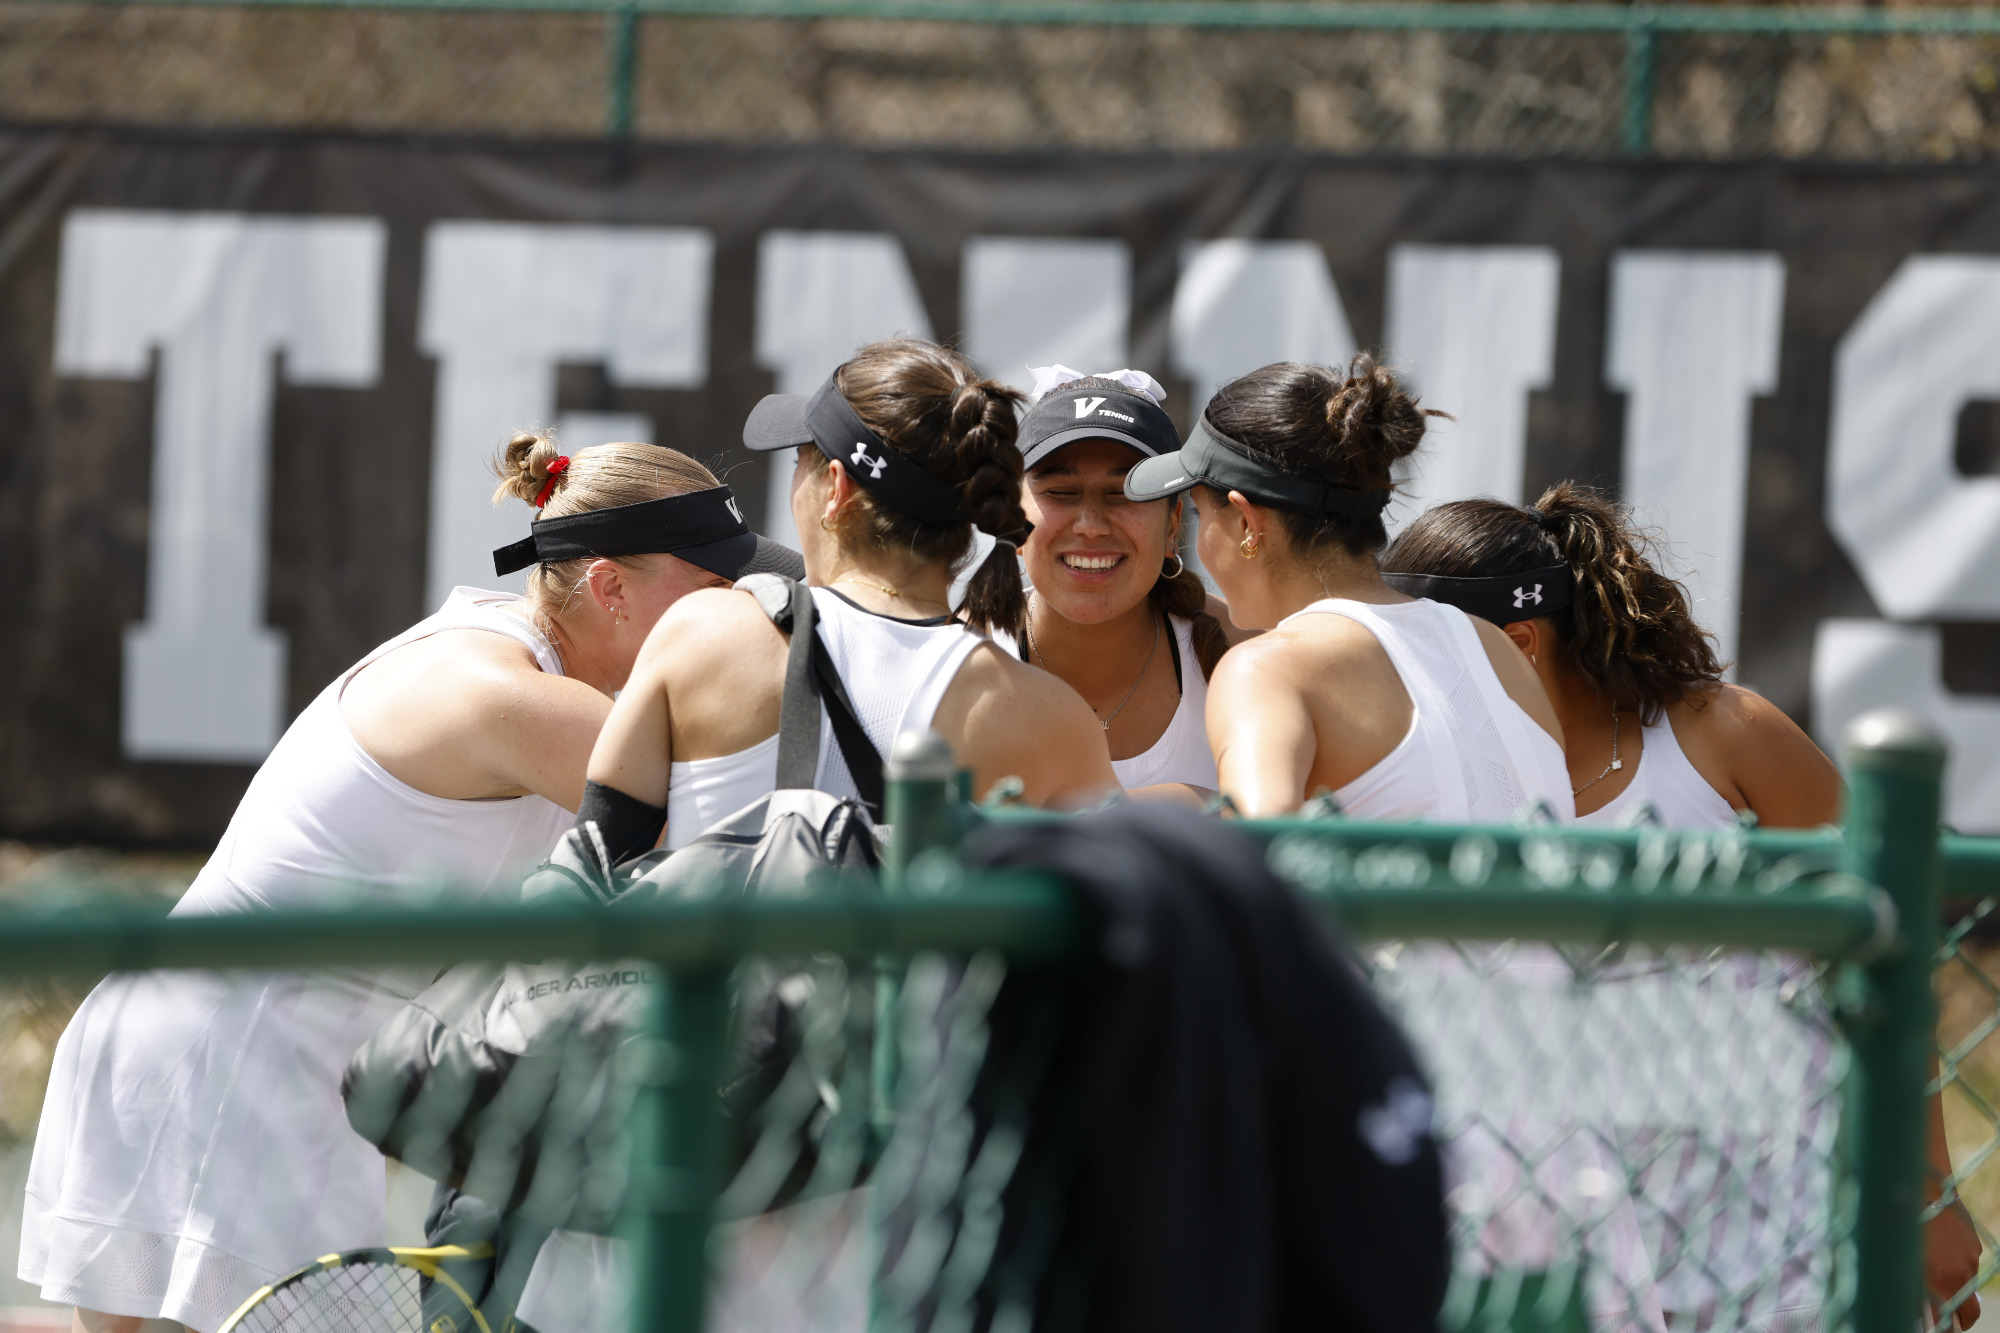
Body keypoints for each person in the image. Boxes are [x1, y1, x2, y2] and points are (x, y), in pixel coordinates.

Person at [18, 435, 802, 1333]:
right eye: (712, 586)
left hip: (209, 1039)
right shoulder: (518, 698)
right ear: (609, 589)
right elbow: (756, 831)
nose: (737, 611)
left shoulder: (504, 647)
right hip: (235, 1062)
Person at [1380, 484, 1984, 1330]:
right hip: (1567, 1246)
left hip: (1781, 1237)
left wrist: (1927, 1190)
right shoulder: (1435, 776)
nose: (1391, 682)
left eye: (1419, 655)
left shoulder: (1721, 735)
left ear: (1516, 643)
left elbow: (1890, 947)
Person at [579, 336, 1118, 864]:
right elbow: (1119, 925)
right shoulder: (1054, 720)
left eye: (798, 459)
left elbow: (588, 873)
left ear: (836, 488)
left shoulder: (701, 633)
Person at [1119, 354, 1569, 821]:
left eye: (1199, 513)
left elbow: (1254, 864)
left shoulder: (1264, 669)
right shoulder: (1495, 646)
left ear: (1247, 523)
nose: (1200, 541)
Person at [1004, 366, 1240, 796]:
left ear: (1172, 527)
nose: (1091, 526)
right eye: (1060, 492)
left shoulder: (1247, 653)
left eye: (1126, 493)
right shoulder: (953, 658)